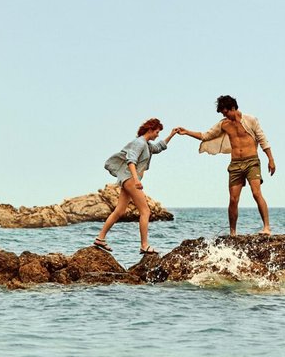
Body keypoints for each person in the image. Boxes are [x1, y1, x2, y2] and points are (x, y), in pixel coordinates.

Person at [173, 95, 275, 235]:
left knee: (256, 193)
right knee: (233, 200)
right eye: (222, 113)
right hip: (235, 164)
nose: (224, 115)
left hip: (252, 161)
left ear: (233, 108)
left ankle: (266, 228)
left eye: (225, 112)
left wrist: (270, 159)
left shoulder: (250, 120)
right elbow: (206, 135)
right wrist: (187, 132)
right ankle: (233, 233)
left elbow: (262, 139)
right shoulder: (223, 124)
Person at [92, 117, 179, 255]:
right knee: (145, 211)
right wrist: (136, 179)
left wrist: (172, 135)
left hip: (128, 180)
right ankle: (144, 245)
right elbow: (131, 161)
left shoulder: (146, 144)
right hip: (131, 180)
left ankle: (100, 238)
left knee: (119, 211)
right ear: (150, 130)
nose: (157, 135)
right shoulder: (139, 143)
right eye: (157, 132)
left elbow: (158, 148)